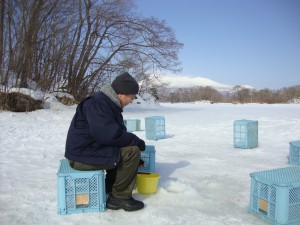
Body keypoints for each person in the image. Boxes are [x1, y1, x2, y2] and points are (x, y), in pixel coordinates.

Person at [65, 72, 146, 211]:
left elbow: (114, 136)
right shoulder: (98, 104)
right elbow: (109, 136)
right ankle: (119, 198)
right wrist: (136, 142)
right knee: (131, 152)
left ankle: (110, 186)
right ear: (121, 94)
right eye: (131, 97)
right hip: (81, 157)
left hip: (89, 151)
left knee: (127, 150)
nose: (131, 101)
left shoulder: (107, 104)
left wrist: (133, 155)